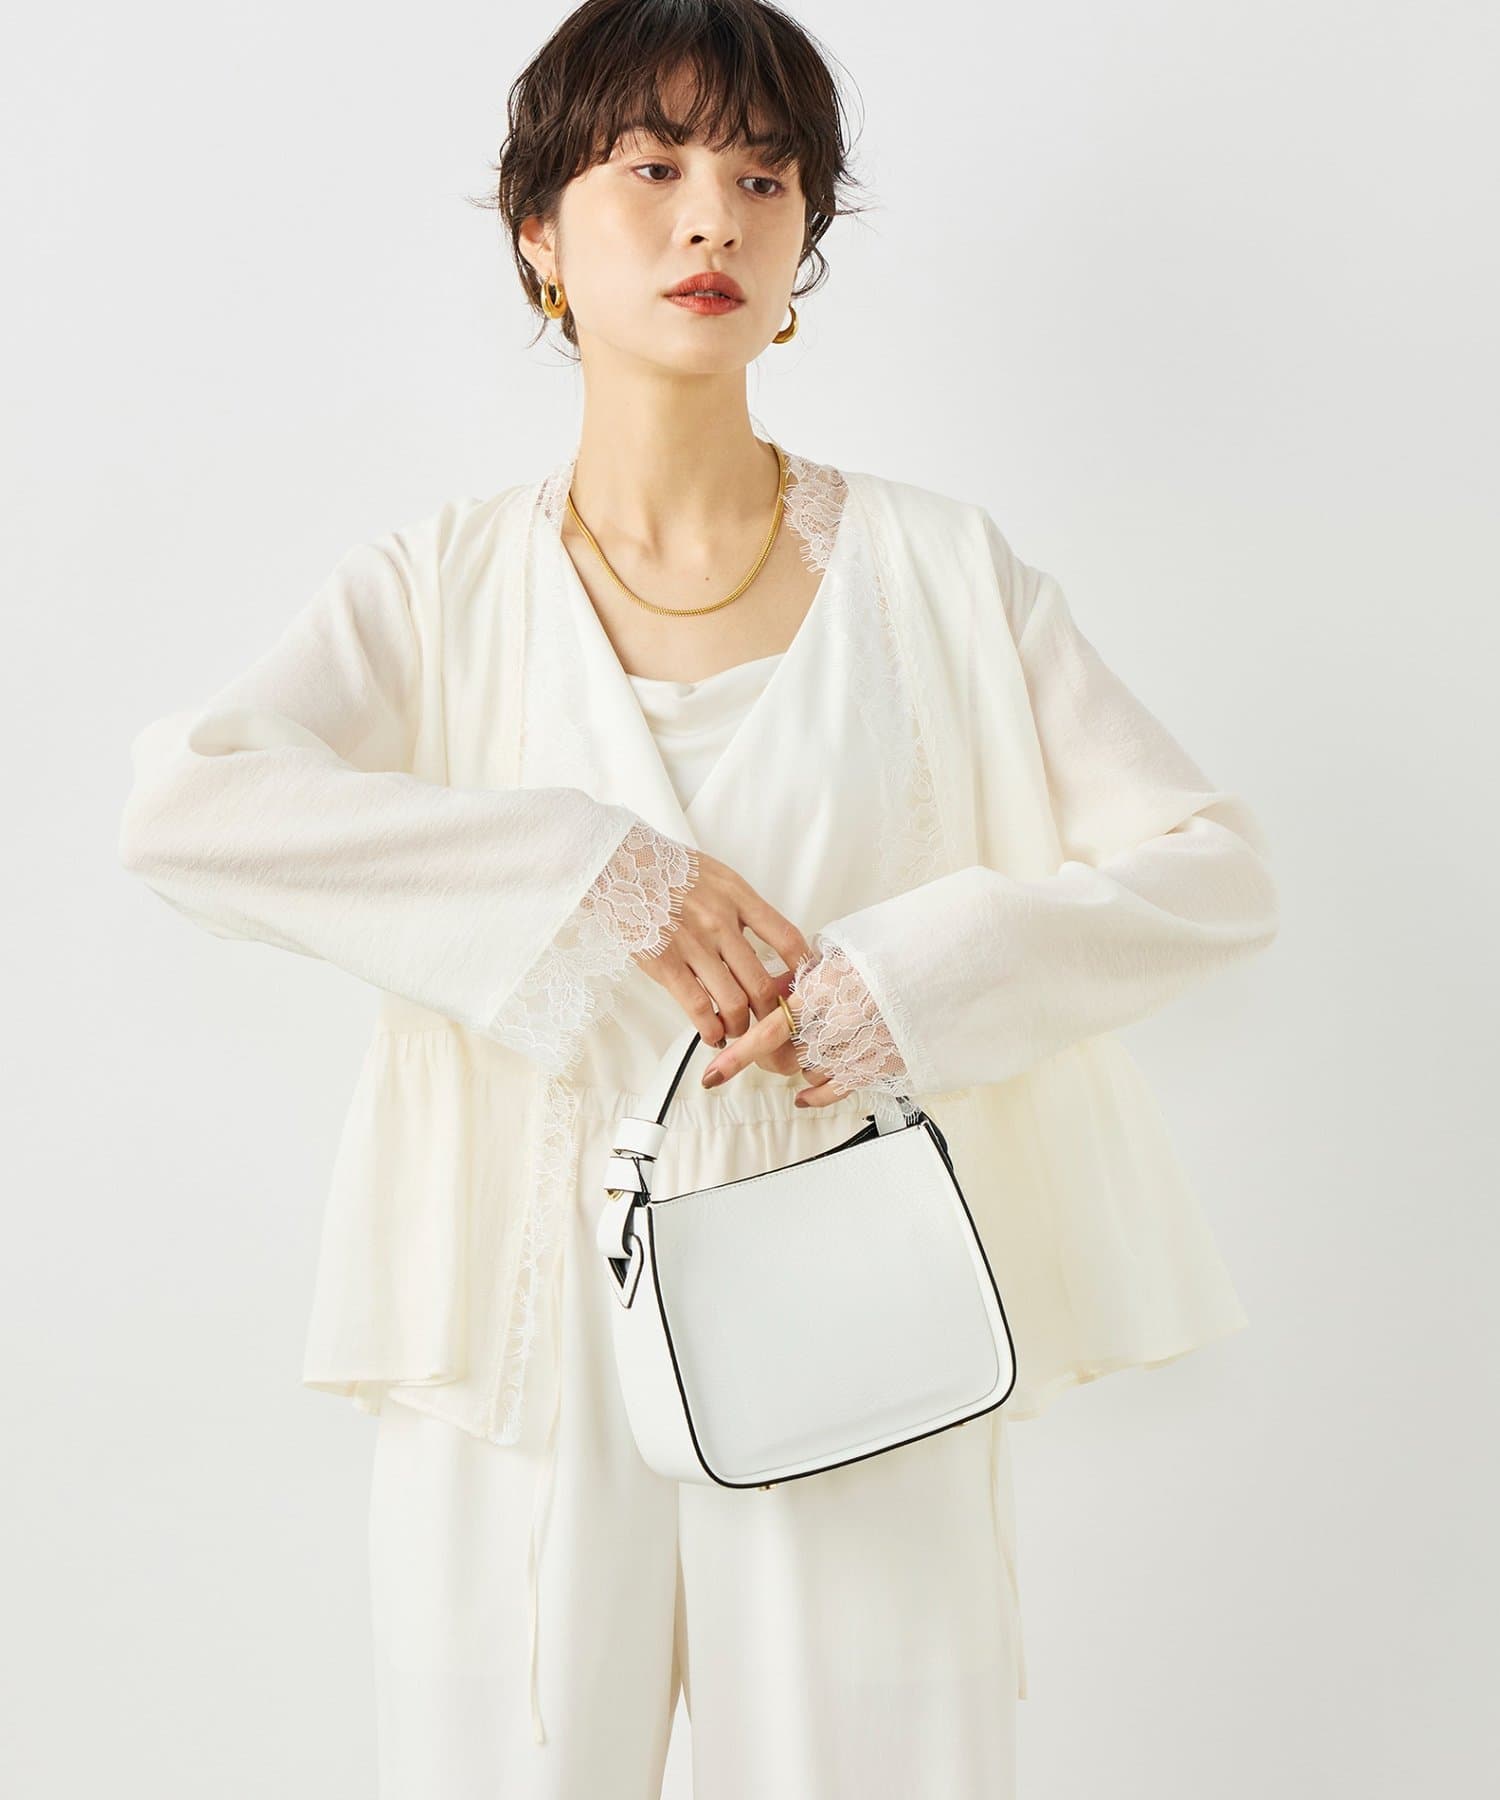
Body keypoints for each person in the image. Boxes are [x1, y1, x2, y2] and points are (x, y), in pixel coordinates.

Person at [116, 3, 1281, 1794]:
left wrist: (925, 978)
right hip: (520, 1328)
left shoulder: (939, 570)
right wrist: (583, 871)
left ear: (805, 235)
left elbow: (1211, 870)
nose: (711, 220)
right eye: (650, 169)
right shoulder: (439, 587)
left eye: (762, 177)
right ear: (539, 235)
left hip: (856, 1307)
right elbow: (189, 807)